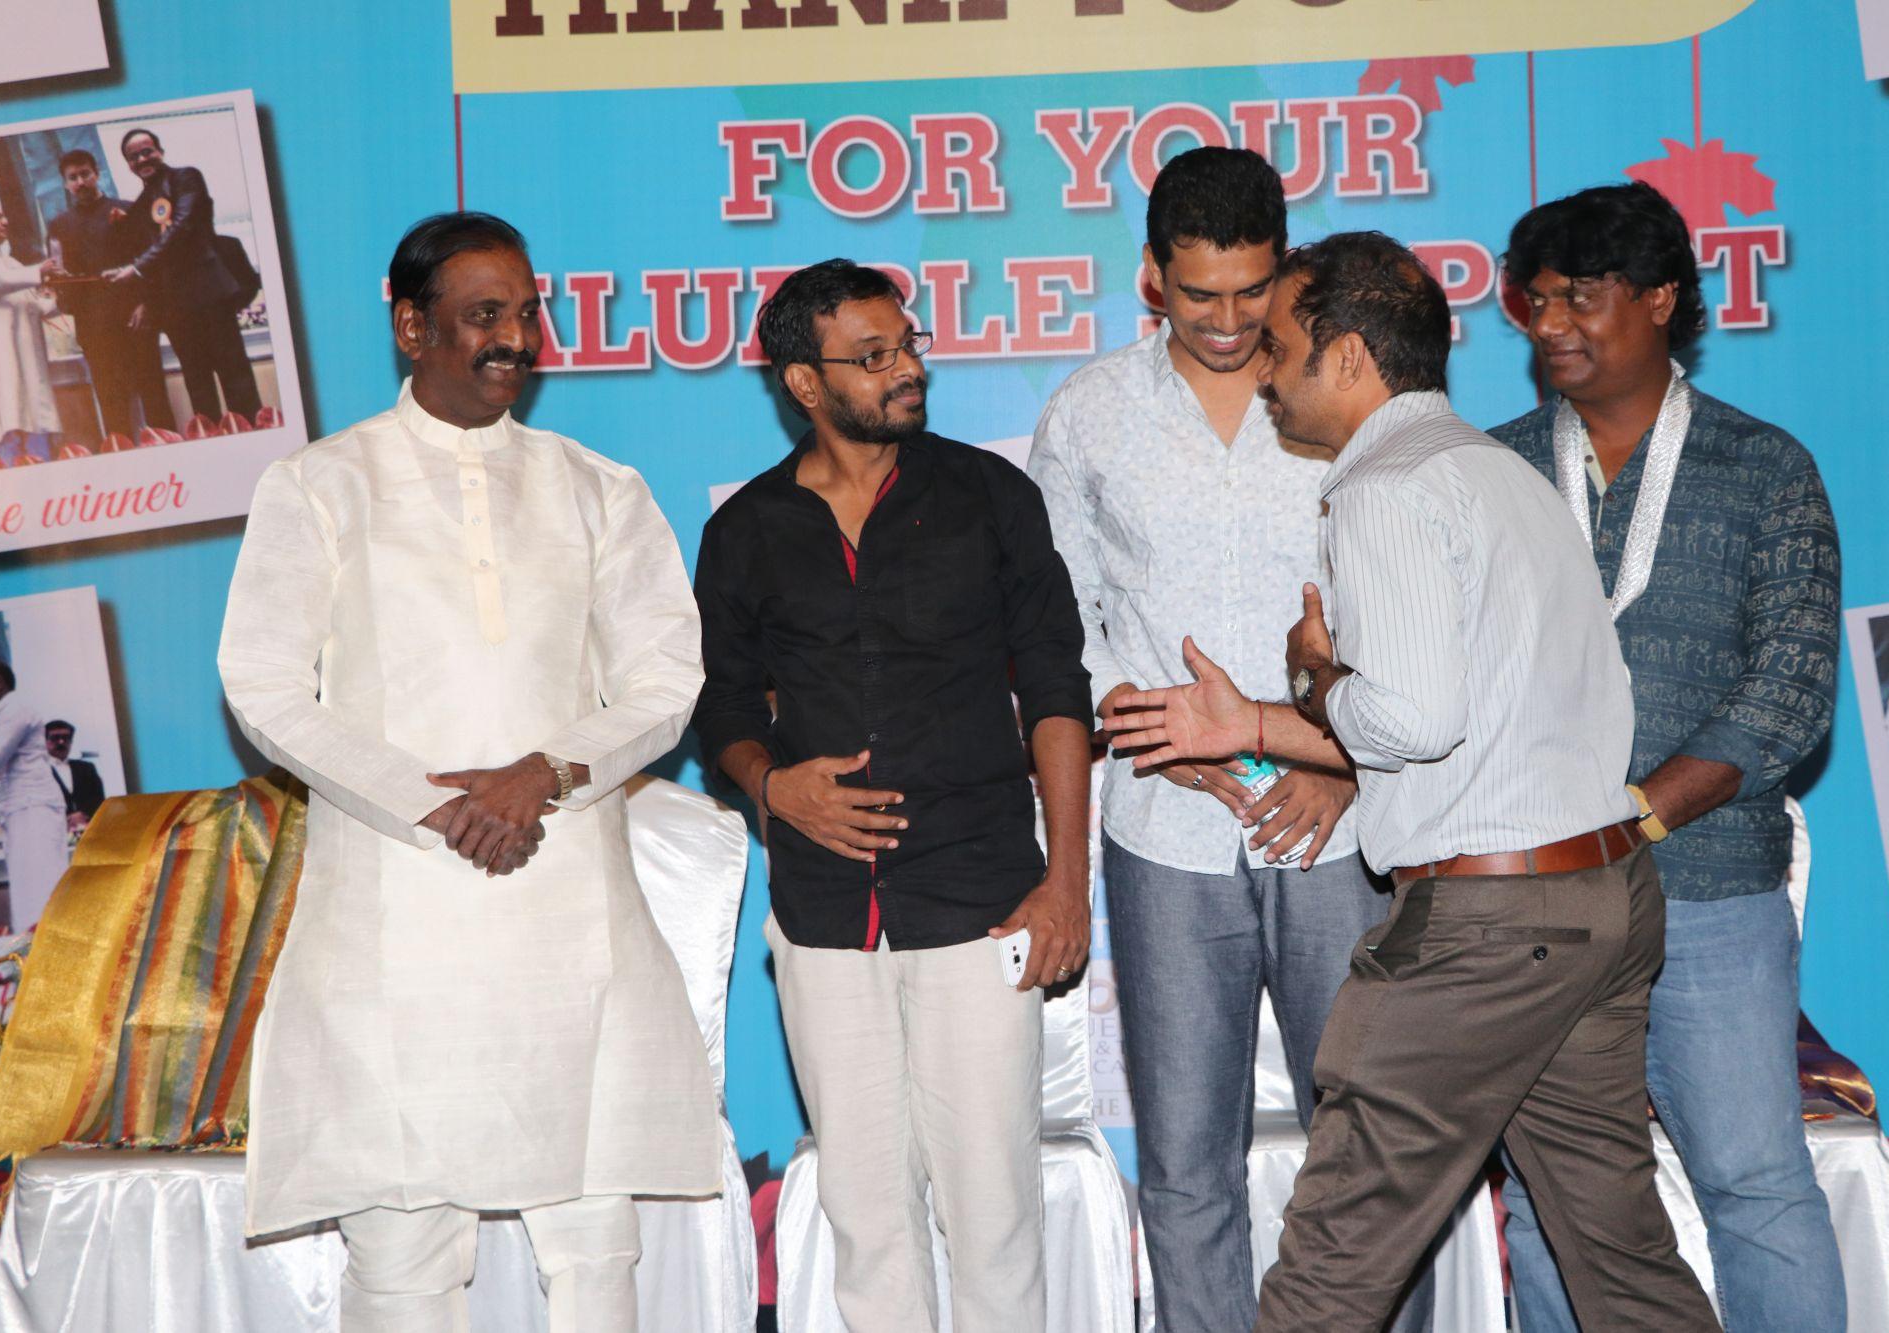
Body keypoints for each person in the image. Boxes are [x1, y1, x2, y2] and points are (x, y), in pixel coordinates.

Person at [1102, 231, 1719, 1332]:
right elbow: (1484, 716)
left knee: (1330, 1266)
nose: (1263, 370)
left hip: (1486, 927)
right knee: (1621, 1256)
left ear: (1346, 357)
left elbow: (1410, 721)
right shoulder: (1503, 472)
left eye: (1280, 345)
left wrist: (1312, 677)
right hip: (1602, 897)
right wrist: (1255, 719)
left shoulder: (1383, 487)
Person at [217, 211, 719, 1332]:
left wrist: (543, 773)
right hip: (396, 913)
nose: (515, 338)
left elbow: (666, 680)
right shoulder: (321, 484)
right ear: (411, 326)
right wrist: (432, 805)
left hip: (565, 900)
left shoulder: (599, 488)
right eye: (484, 314)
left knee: (594, 1242)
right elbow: (262, 684)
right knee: (404, 1250)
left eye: (526, 313)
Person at [1027, 146, 1427, 1332]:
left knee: (1365, 1149)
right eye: (1197, 292)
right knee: (1184, 1162)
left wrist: (1340, 767)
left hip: (1344, 827)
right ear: (1151, 273)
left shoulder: (1339, 399)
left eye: (1251, 291)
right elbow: (1055, 615)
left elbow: (1407, 609)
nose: (1225, 319)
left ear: (1282, 268)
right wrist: (1160, 734)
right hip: (1165, 822)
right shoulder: (1089, 412)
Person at [692, 259, 1092, 1333]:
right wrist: (772, 786)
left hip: (981, 897)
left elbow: (1057, 688)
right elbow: (719, 706)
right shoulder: (747, 529)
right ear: (804, 384)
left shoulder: (989, 496)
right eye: (872, 357)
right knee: (866, 1219)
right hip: (824, 911)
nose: (906, 369)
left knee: (993, 1214)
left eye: (907, 345)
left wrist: (1066, 882)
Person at [1490, 181, 1846, 1332]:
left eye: (1579, 297)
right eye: (1535, 300)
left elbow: (1786, 693)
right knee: (1552, 1197)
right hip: (1532, 900)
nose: (1550, 324)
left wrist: (1629, 819)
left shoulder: (1762, 468)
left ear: (1658, 300)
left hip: (1707, 889)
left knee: (1751, 1181)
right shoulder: (1488, 474)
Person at [107, 128, 263, 427]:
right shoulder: (140, 205)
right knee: (198, 384)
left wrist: (138, 267)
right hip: (175, 309)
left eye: (147, 151)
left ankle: (254, 437)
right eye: (134, 156)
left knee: (235, 378)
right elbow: (135, 245)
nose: (142, 159)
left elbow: (183, 227)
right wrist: (121, 229)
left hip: (210, 297)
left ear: (160, 151)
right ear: (128, 165)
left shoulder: (186, 178)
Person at [46, 149, 176, 440]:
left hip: (136, 320)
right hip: (94, 328)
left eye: (85, 174)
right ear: (65, 184)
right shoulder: (59, 225)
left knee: (154, 394)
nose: (80, 182)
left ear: (97, 174)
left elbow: (151, 263)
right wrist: (61, 286)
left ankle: (170, 450)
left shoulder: (129, 210)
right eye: (73, 178)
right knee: (111, 401)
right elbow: (60, 277)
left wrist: (146, 304)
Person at [0, 662, 71, 935]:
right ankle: (33, 944)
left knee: (40, 882)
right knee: (26, 883)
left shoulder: (16, 709)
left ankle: (47, 941)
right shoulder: (3, 714)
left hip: (33, 806)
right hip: (20, 808)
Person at [0, 197, 62, 452]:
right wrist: (39, 271)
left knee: (36, 417)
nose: (5, 222)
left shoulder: (12, 263)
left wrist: (53, 296)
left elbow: (32, 305)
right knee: (12, 417)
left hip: (29, 357)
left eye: (3, 216)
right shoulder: (10, 270)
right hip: (3, 359)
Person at [43, 718, 106, 830]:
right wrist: (64, 819)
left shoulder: (87, 768)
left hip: (87, 829)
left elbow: (99, 799)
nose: (61, 742)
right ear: (45, 741)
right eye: (55, 738)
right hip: (52, 830)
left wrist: (84, 814)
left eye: (66, 738)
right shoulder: (39, 771)